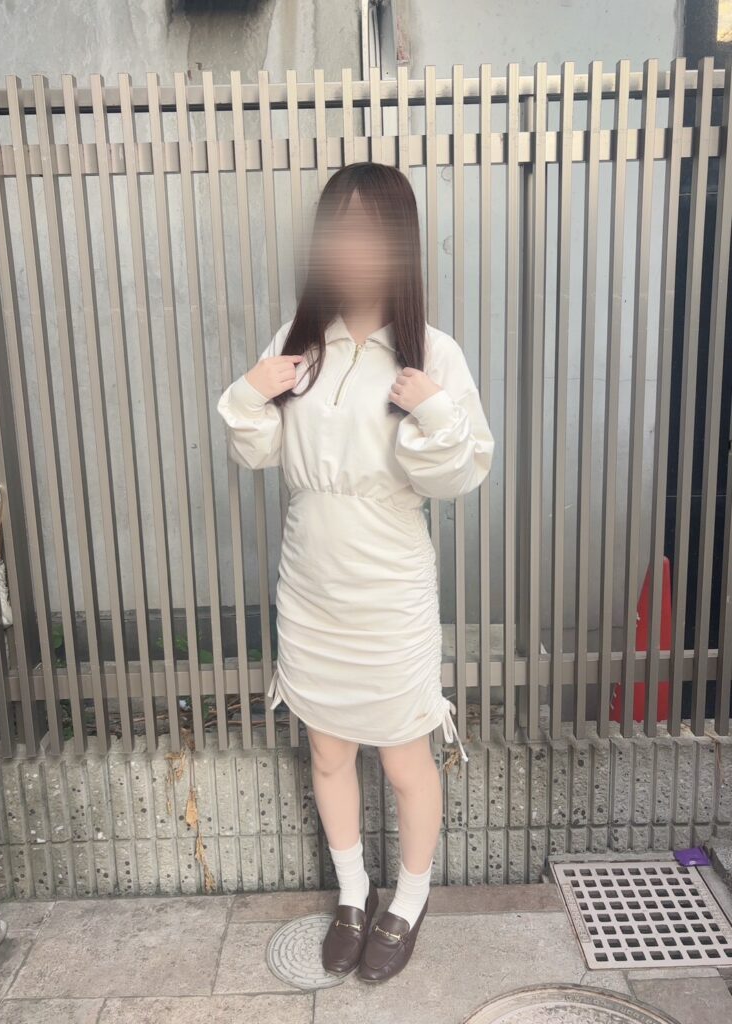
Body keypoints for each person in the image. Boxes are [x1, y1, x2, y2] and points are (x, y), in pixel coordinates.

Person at [217, 162, 494, 983]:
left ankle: (409, 898)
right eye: (340, 230)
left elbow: (461, 472)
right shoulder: (296, 342)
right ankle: (351, 892)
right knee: (330, 752)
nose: (354, 247)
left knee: (406, 761)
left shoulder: (434, 352)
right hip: (310, 585)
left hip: (388, 586)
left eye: (372, 230)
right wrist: (250, 393)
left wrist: (433, 407)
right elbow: (257, 451)